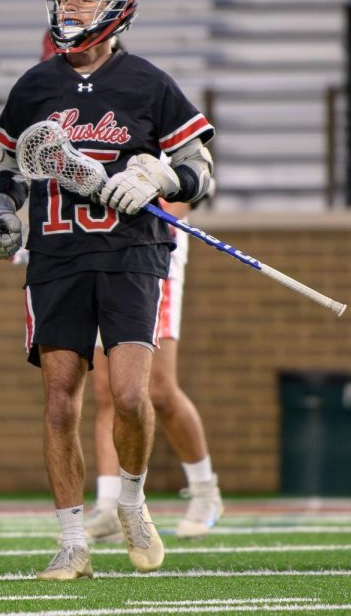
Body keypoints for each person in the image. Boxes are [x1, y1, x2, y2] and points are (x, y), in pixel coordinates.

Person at [0, 0, 216, 580]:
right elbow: (10, 171)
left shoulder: (150, 84)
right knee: (59, 402)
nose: (71, 7)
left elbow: (201, 171)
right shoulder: (33, 85)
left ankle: (132, 502)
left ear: (117, 5)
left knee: (131, 395)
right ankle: (73, 540)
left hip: (132, 253)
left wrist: (160, 175)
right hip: (56, 253)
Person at [85, 198, 224, 542]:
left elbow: (185, 191)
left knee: (159, 389)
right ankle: (108, 505)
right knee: (107, 391)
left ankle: (206, 491)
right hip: (102, 253)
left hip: (152, 256)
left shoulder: (169, 140)